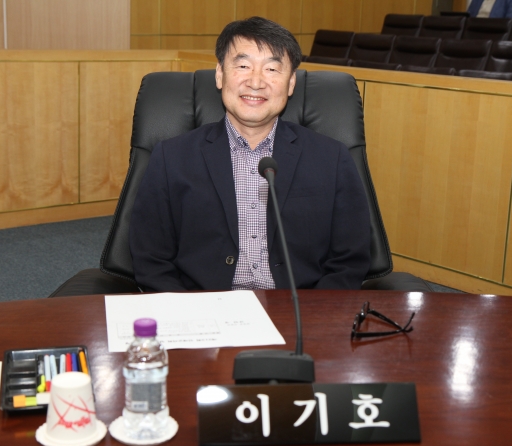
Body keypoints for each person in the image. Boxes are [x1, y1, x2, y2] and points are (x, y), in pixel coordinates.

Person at [129, 16, 370, 292]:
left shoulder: (332, 158)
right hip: (204, 306)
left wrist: (314, 312)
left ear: (291, 83)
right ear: (220, 75)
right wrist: (189, 310)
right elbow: (151, 258)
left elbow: (350, 259)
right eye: (243, 66)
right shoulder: (171, 158)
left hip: (298, 307)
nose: (256, 82)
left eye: (271, 69)